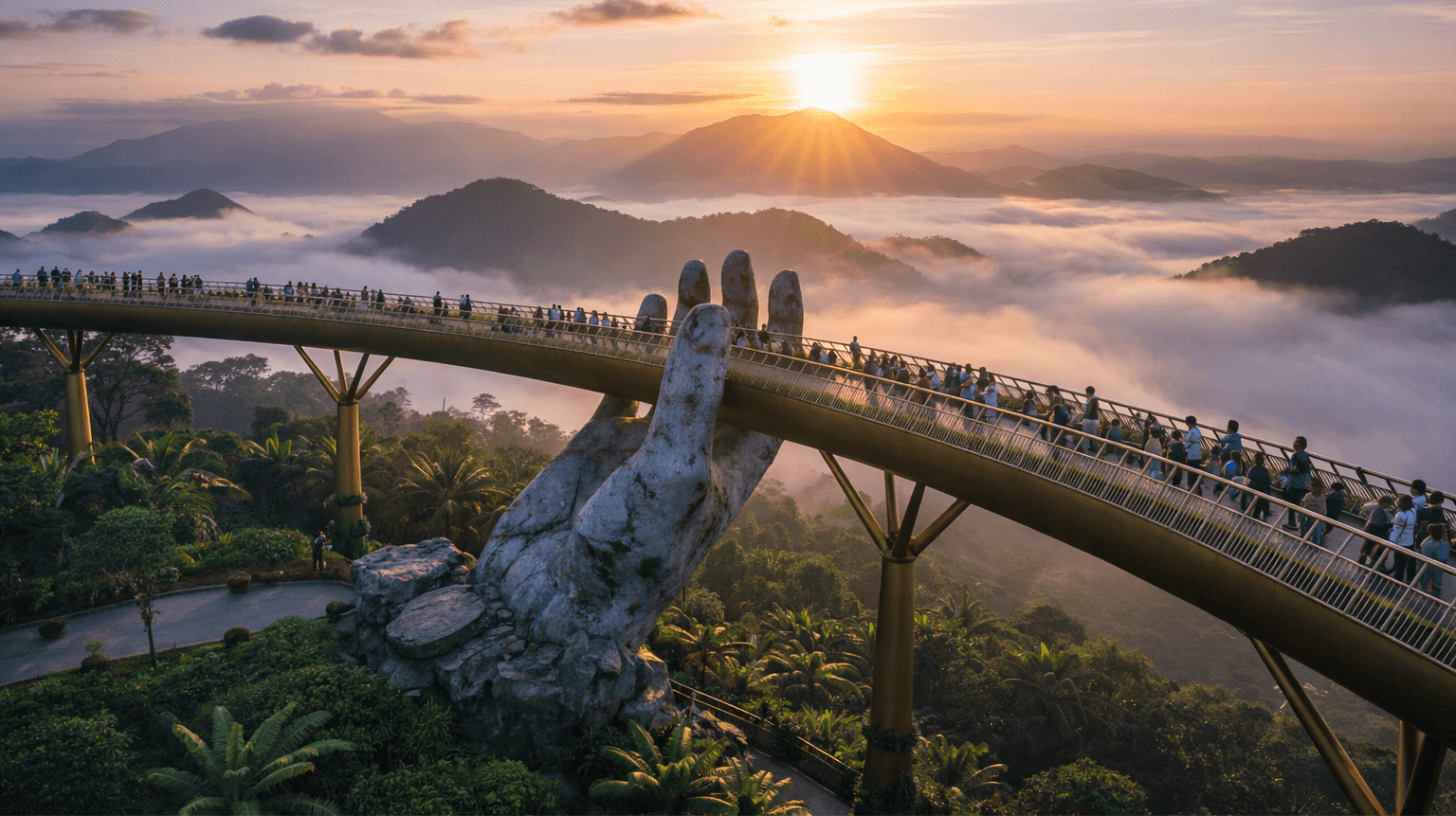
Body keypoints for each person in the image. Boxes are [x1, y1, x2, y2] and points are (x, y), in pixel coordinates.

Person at [1281, 436, 1313, 530]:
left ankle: (1292, 523)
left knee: (1291, 504)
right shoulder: (1306, 455)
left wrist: (1287, 474)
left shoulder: (1295, 454)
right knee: (1300, 505)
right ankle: (1304, 525)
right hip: (1303, 484)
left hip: (1294, 483)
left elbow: (1294, 469)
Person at [1359, 495, 1395, 567]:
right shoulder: (1385, 511)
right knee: (1376, 546)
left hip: (1370, 528)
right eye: (1389, 504)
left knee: (1368, 545)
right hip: (1379, 530)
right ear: (1385, 503)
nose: (1390, 506)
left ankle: (1363, 558)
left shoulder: (1374, 508)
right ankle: (1374, 561)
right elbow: (1389, 522)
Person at [1390, 494, 1419, 582]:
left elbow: (1398, 529)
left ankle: (1397, 579)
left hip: (1401, 541)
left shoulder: (1401, 515)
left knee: (1399, 561)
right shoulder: (1412, 513)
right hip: (1409, 541)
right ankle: (1407, 578)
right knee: (1405, 560)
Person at [1418, 524, 1450, 597]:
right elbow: (1443, 558)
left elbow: (1422, 549)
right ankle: (1435, 599)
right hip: (1438, 568)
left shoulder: (1427, 543)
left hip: (1426, 566)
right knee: (1437, 584)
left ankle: (1422, 597)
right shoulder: (1443, 545)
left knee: (1424, 581)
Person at [1246, 452, 1273, 519]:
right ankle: (1265, 511)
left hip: (1252, 490)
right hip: (1262, 492)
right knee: (1263, 495)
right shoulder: (1265, 470)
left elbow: (1247, 480)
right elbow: (1268, 482)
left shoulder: (1252, 469)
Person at [1183, 417, 1204, 494]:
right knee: (1195, 473)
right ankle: (1197, 489)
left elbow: (1187, 444)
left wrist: (1181, 443)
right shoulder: (1197, 430)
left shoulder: (1192, 432)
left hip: (1192, 455)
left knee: (1191, 472)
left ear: (1188, 423)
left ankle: (1192, 488)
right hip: (1197, 455)